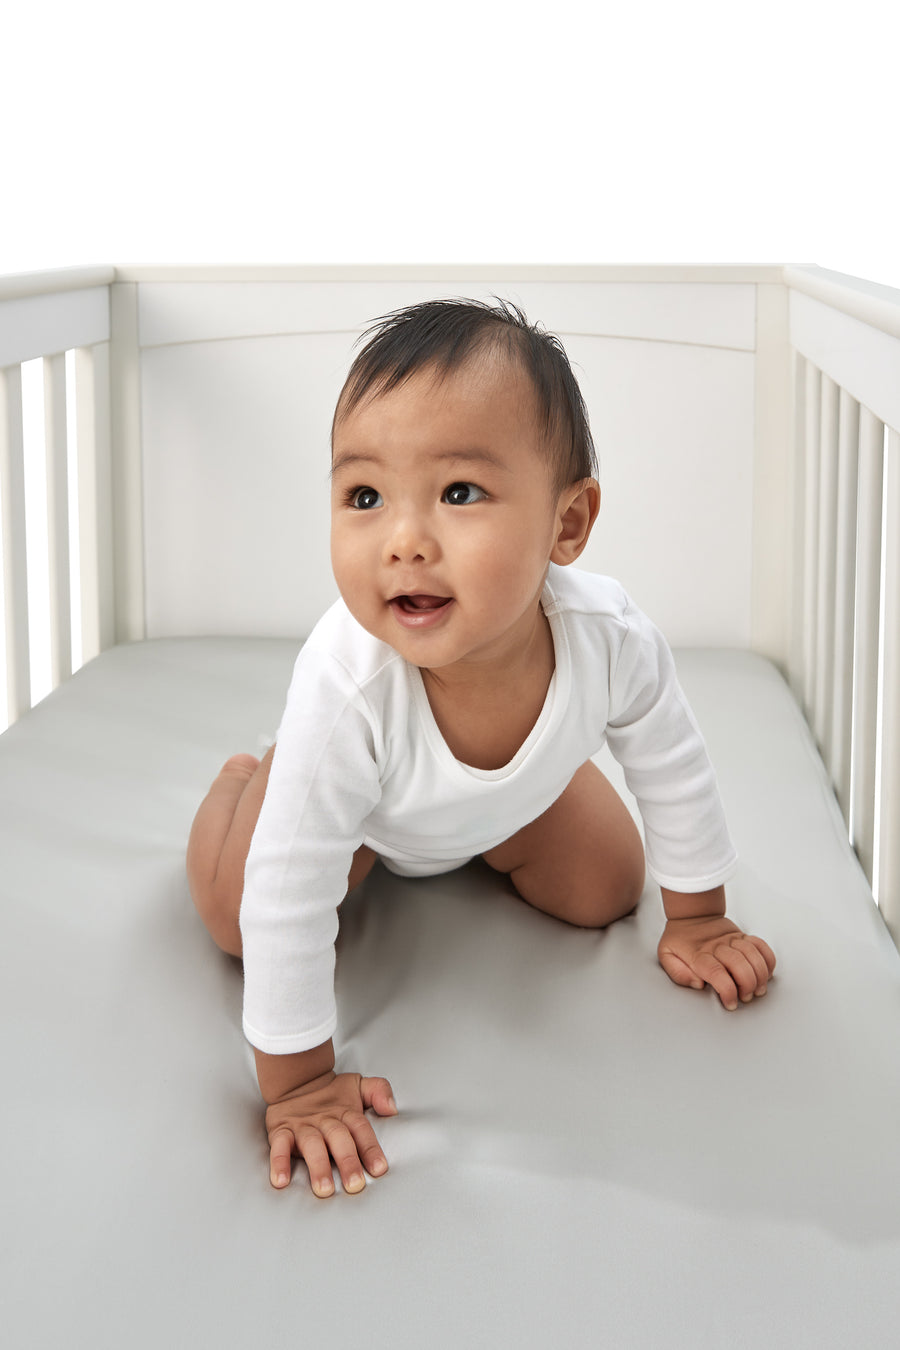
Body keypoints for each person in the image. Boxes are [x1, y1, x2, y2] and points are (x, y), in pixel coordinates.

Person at [186, 297, 776, 1200]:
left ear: (566, 525)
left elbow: (670, 755)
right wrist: (300, 1084)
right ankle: (244, 783)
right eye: (364, 496)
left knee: (607, 889)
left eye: (459, 493)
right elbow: (291, 888)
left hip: (511, 799)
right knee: (240, 912)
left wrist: (698, 913)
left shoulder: (607, 636)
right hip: (360, 820)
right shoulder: (349, 688)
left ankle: (504, 795)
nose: (405, 541)